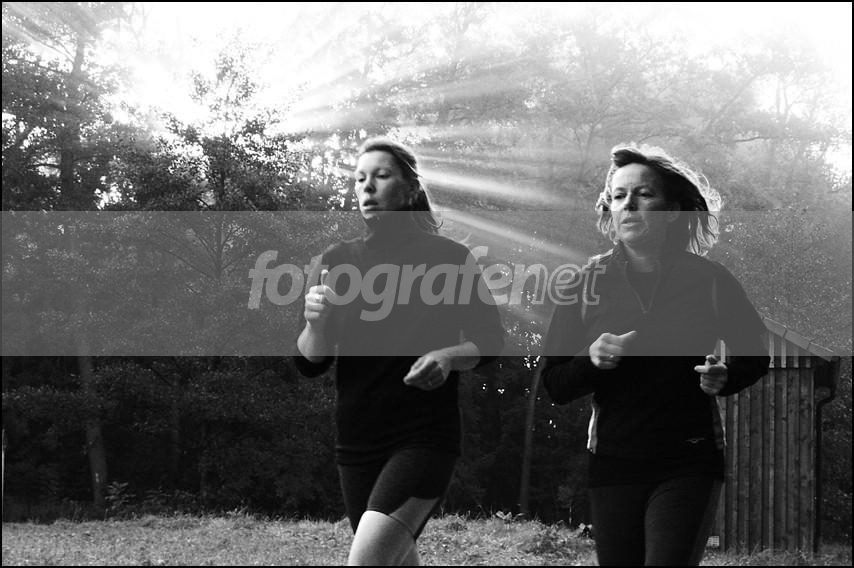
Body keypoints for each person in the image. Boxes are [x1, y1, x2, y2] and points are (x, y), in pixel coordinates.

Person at [540, 144, 770, 566]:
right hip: (613, 460)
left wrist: (726, 376)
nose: (628, 205)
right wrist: (591, 361)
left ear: (672, 209)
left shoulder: (710, 280)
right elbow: (553, 384)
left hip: (689, 458)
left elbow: (755, 355)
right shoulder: (583, 283)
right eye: (619, 195)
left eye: (644, 194)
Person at [294, 137, 504, 566]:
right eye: (359, 179)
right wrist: (314, 324)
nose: (367, 187)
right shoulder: (337, 260)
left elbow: (490, 340)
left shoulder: (451, 258)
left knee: (367, 561)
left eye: (381, 176)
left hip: (423, 437)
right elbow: (310, 361)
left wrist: (447, 356)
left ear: (409, 189)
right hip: (356, 441)